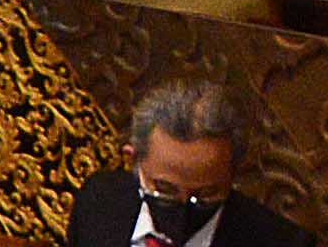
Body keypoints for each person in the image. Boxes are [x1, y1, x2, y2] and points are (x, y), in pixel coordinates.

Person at [66, 73, 301, 247]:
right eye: (165, 190)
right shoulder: (98, 201)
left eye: (206, 195)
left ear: (233, 174)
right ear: (133, 160)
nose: (182, 213)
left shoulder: (282, 242)